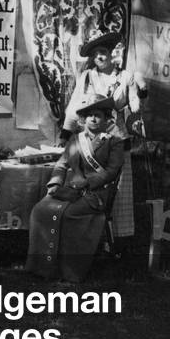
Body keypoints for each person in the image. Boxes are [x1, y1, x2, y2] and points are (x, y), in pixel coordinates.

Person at [26, 94, 125, 282]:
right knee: (40, 210)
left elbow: (112, 172)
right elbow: (61, 165)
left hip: (97, 194)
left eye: (98, 115)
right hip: (70, 190)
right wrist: (54, 185)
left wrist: (88, 183)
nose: (93, 119)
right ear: (84, 119)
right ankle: (43, 266)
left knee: (69, 214)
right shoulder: (75, 139)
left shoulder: (115, 142)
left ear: (106, 118)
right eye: (89, 115)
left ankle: (69, 270)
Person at [61, 30, 146, 144]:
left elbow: (135, 106)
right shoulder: (87, 76)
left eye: (102, 52)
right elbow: (73, 108)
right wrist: (64, 137)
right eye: (95, 55)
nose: (99, 57)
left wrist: (142, 90)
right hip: (91, 138)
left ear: (111, 53)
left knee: (120, 160)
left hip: (117, 136)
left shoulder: (125, 76)